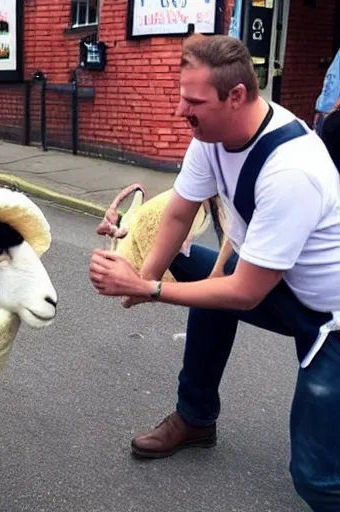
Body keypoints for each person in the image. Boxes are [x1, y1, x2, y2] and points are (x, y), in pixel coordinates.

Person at [89, 34, 340, 511]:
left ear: (237, 96)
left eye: (193, 101)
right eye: (182, 96)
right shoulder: (213, 134)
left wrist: (149, 288)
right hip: (282, 284)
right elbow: (180, 214)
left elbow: (244, 293)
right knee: (204, 273)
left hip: (330, 322)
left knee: (316, 480)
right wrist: (138, 278)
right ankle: (196, 417)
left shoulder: (292, 171)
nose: (180, 111)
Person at [313, 47, 340, 136]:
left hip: (332, 115)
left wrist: (333, 109)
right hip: (325, 113)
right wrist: (319, 109)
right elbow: (330, 82)